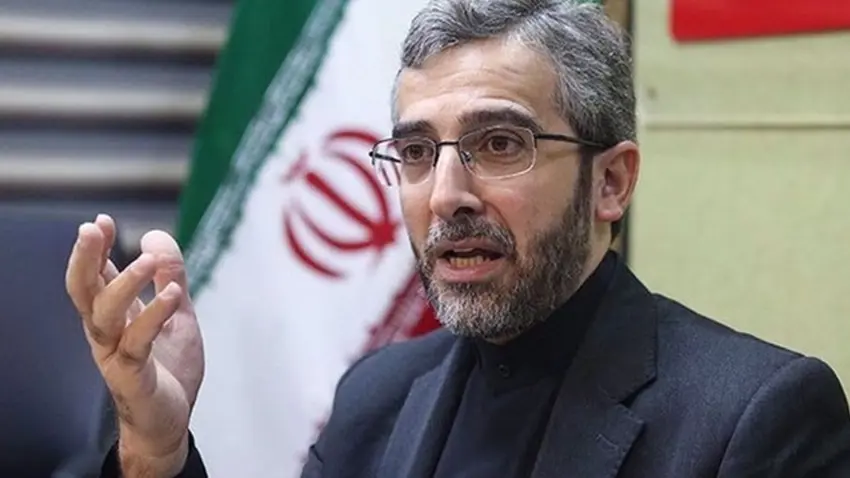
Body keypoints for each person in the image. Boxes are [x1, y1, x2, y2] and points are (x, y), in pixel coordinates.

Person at [65, 1, 850, 477]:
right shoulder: (377, 396)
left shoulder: (754, 416)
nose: (445, 194)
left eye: (499, 144)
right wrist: (154, 450)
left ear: (611, 182)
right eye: (416, 151)